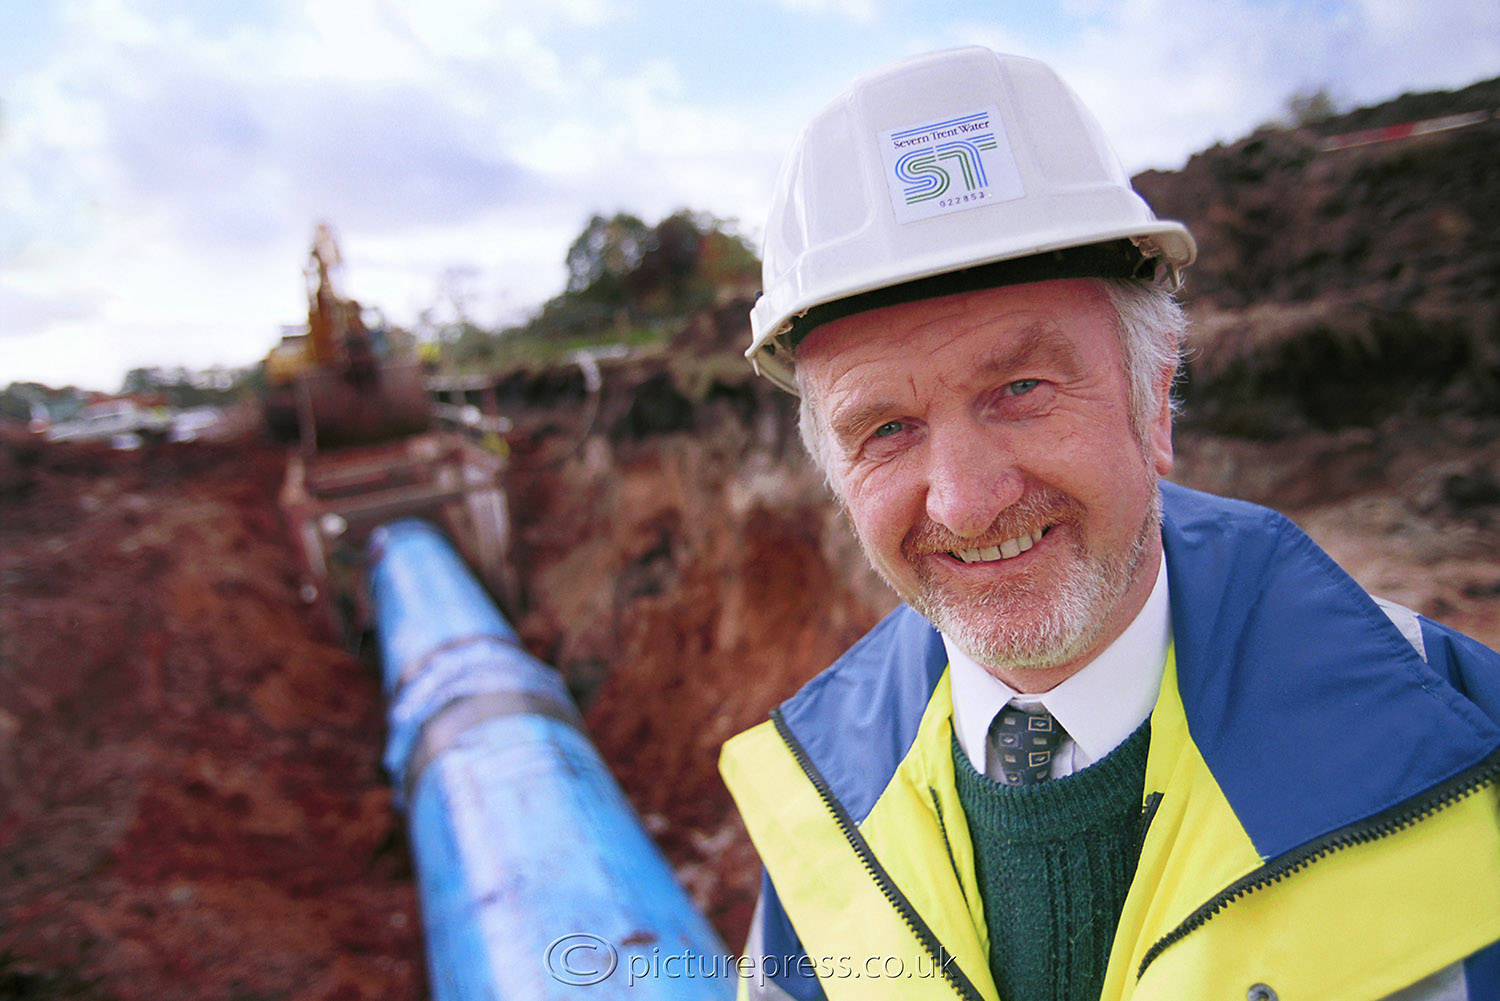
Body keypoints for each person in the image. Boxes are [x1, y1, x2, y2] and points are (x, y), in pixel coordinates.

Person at [718, 47, 1500, 1001]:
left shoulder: (1462, 746)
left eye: (1020, 388)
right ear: (837, 474)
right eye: (886, 429)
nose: (964, 503)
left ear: (1155, 401)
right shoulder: (818, 803)